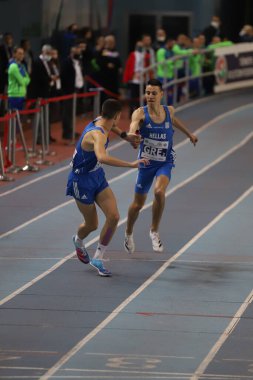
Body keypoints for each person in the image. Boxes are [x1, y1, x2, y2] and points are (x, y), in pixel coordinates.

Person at [66, 98, 149, 277]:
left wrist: (125, 136)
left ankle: (98, 257)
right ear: (118, 115)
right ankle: (78, 240)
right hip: (80, 181)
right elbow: (102, 157)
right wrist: (131, 164)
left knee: (114, 216)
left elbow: (113, 127)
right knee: (92, 224)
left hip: (96, 176)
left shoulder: (101, 120)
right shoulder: (97, 134)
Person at [124, 79, 198, 254]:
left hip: (165, 161)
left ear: (161, 94)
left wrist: (189, 134)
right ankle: (128, 233)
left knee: (159, 192)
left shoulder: (169, 110)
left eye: (153, 93)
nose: (149, 96)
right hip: (146, 163)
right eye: (147, 93)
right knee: (137, 205)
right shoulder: (139, 114)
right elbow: (132, 128)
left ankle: (154, 231)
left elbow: (174, 120)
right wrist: (132, 137)